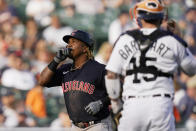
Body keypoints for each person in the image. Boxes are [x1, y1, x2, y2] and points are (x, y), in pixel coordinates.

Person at [104, 0, 196, 131]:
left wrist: (115, 104)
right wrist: (179, 38)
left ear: (139, 18)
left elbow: (111, 74)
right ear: (162, 18)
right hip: (160, 105)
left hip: (132, 105)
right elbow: (191, 70)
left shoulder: (125, 39)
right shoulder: (172, 40)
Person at [39, 30, 112, 131]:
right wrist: (56, 60)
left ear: (85, 48)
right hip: (75, 126)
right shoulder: (65, 69)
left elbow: (119, 91)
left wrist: (101, 103)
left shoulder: (100, 69)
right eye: (68, 43)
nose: (69, 45)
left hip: (97, 125)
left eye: (74, 42)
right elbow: (42, 81)